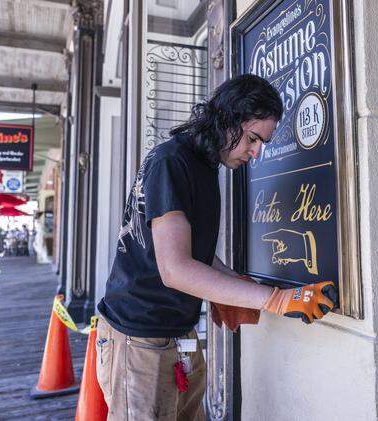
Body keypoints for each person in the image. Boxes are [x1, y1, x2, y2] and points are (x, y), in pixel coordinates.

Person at [95, 74, 338, 420]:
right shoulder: (172, 162)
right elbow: (176, 268)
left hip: (179, 334)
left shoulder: (205, 166)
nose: (256, 153)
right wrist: (276, 299)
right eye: (253, 139)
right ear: (226, 119)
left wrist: (232, 288)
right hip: (140, 338)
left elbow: (197, 253)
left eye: (262, 143)